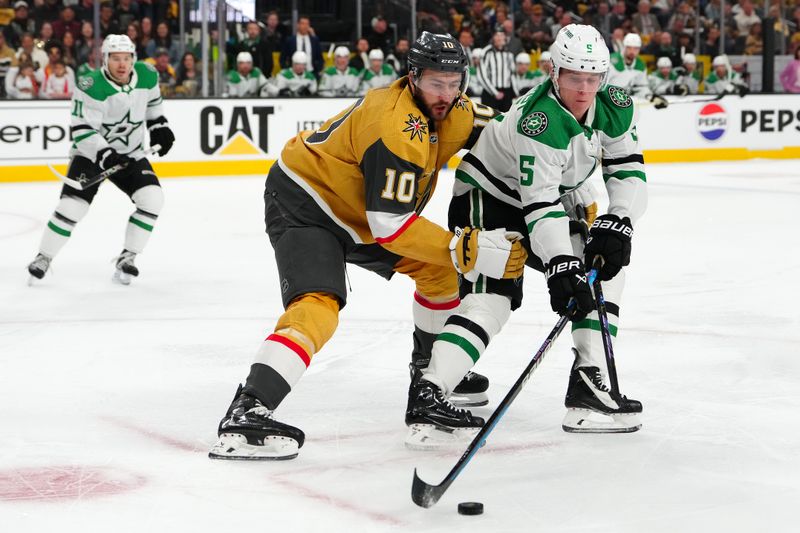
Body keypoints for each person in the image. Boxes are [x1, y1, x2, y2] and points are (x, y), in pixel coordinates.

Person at [208, 31, 526, 461]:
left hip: (364, 212)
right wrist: (462, 246)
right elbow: (391, 227)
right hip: (308, 201)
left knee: (440, 274)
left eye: (455, 83)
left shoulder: (458, 109)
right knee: (318, 303)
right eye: (436, 82)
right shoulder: (394, 126)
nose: (446, 94)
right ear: (412, 78)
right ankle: (248, 411)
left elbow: (515, 133)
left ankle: (426, 381)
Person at [406, 24, 646, 447]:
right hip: (489, 198)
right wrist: (559, 262)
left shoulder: (614, 104)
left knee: (603, 271)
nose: (585, 89)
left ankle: (589, 386)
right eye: (575, 77)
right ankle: (428, 391)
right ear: (554, 71)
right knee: (492, 300)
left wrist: (620, 218)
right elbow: (539, 204)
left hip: (547, 201)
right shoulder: (539, 120)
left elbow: (626, 166)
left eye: (594, 78)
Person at [26, 35, 175, 285]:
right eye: (115, 58)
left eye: (126, 58)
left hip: (131, 153)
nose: (122, 64)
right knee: (72, 207)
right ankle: (44, 257)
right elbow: (83, 130)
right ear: (105, 60)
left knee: (152, 199)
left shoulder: (148, 75)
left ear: (133, 59)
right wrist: (105, 154)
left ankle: (128, 257)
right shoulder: (90, 85)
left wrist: (160, 126)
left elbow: (153, 106)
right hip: (91, 155)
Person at [477, 26, 516, 111]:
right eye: (497, 35)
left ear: (505, 37)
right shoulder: (486, 52)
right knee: (488, 121)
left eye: (501, 35)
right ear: (493, 37)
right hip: (490, 92)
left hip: (506, 92)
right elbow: (481, 75)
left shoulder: (509, 54)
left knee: (506, 120)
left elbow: (512, 75)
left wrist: (516, 92)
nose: (499, 38)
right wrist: (495, 92)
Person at [607, 32, 649, 97]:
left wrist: (649, 96)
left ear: (639, 50)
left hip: (627, 99)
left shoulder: (640, 65)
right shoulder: (611, 61)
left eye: (635, 49)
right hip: (610, 96)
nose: (632, 51)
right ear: (624, 47)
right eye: (629, 48)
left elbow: (642, 87)